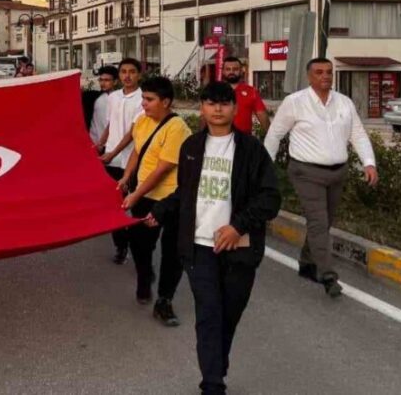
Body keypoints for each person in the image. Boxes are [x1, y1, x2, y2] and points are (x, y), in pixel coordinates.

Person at [147, 81, 281, 395]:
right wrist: (163, 209)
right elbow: (185, 192)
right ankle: (212, 383)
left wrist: (238, 227)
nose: (217, 109)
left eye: (224, 103)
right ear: (202, 109)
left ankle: (216, 365)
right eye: (210, 103)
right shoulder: (192, 148)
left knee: (229, 314)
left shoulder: (251, 150)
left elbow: (270, 198)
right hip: (199, 248)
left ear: (234, 109)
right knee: (208, 313)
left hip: (239, 249)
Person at [264, 58, 377, 297]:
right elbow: (275, 134)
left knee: (324, 223)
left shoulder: (344, 102)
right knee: (318, 221)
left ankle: (307, 263)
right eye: (319, 72)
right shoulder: (295, 102)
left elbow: (358, 134)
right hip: (306, 172)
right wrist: (265, 167)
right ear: (309, 76)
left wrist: (369, 163)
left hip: (338, 172)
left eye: (329, 72)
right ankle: (327, 275)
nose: (325, 76)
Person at [119, 76, 193, 326]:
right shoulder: (142, 122)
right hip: (144, 196)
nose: (144, 104)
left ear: (166, 102)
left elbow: (163, 168)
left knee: (173, 252)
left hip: (171, 200)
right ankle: (144, 277)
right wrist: (127, 177)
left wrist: (134, 195)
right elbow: (138, 152)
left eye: (149, 100)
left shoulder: (177, 128)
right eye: (143, 98)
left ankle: (164, 301)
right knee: (140, 245)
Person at [98, 58, 145, 264]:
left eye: (132, 72)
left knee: (133, 204)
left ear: (139, 75)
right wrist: (100, 144)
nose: (127, 76)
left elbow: (134, 132)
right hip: (111, 160)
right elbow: (110, 124)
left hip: (131, 161)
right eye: (123, 72)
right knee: (113, 205)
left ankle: (139, 251)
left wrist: (114, 151)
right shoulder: (114, 97)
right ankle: (121, 245)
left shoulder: (143, 98)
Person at [221, 58, 270, 135]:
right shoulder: (214, 91)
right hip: (219, 141)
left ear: (241, 71)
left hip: (244, 142)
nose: (231, 72)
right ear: (223, 71)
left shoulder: (251, 91)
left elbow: (262, 115)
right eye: (228, 69)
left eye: (235, 69)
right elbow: (204, 116)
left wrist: (272, 136)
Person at [88, 65, 119, 149]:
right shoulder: (94, 98)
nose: (102, 83)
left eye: (107, 80)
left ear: (115, 82)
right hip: (94, 143)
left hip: (112, 145)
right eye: (101, 80)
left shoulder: (119, 99)